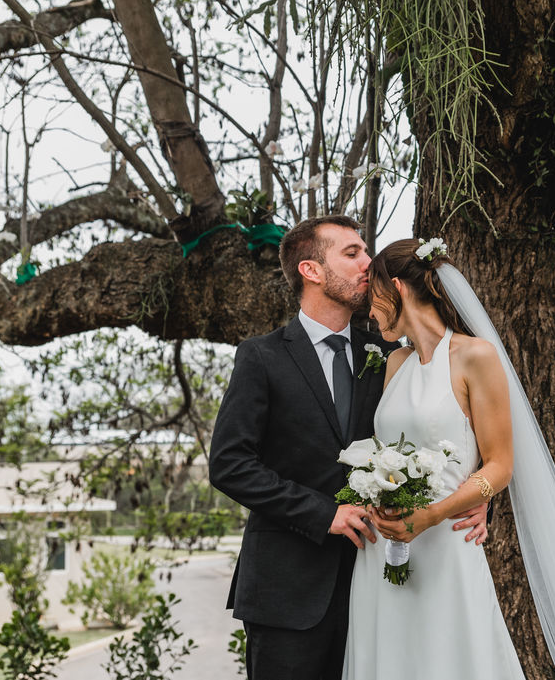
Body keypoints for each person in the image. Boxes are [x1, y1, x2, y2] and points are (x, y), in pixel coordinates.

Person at [343, 237, 555, 680]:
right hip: (382, 548)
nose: (369, 312)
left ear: (397, 288)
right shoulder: (396, 362)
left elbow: (500, 464)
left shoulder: (475, 356)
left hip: (444, 543)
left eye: (372, 297)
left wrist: (432, 514)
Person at [208, 216, 487, 680]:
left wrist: (476, 498)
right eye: (352, 253)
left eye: (367, 252)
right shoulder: (262, 356)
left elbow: (443, 424)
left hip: (382, 585)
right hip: (288, 590)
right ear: (311, 270)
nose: (367, 264)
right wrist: (325, 513)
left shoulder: (388, 352)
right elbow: (230, 465)